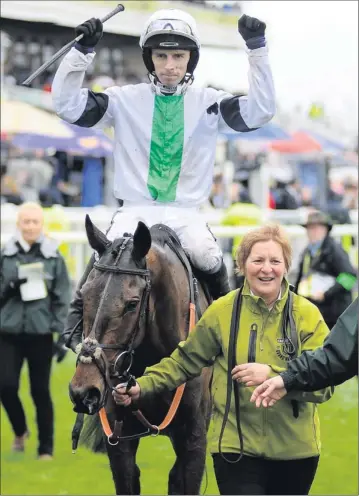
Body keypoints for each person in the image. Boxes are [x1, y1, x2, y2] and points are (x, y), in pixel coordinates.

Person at [51, 8, 276, 349]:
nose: (170, 65)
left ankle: (231, 335)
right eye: (161, 55)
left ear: (191, 59)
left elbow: (261, 110)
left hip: (186, 213)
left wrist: (257, 50)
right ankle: (76, 327)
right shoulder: (122, 99)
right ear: (149, 58)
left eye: (178, 55)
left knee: (209, 256)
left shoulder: (210, 102)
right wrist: (80, 54)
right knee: (105, 256)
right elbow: (67, 106)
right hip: (135, 210)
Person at [113, 224, 333, 496]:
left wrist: (275, 376)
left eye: (275, 261)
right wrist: (141, 387)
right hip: (234, 450)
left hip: (296, 453)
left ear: (286, 266)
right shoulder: (221, 312)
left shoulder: (307, 315)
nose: (267, 268)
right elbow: (183, 361)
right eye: (258, 260)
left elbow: (325, 384)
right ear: (242, 264)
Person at [0, 202, 71, 459]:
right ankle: (20, 432)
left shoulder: (53, 256)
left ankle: (46, 449)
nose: (30, 226)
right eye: (26, 221)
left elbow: (63, 298)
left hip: (41, 334)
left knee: (40, 391)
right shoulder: (5, 255)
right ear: (18, 224)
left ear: (42, 225)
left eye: (35, 222)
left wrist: (61, 336)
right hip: (8, 333)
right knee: (5, 387)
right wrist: (8, 287)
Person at [250, 298, 358, 407]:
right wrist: (288, 378)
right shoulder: (232, 305)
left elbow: (323, 390)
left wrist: (327, 293)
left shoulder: (306, 312)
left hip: (336, 306)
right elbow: (336, 355)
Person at [295, 210, 357, 329]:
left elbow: (349, 277)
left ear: (325, 230)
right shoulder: (307, 253)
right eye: (309, 228)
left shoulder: (335, 250)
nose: (312, 232)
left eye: (316, 228)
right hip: (317, 312)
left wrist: (325, 294)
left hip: (335, 316)